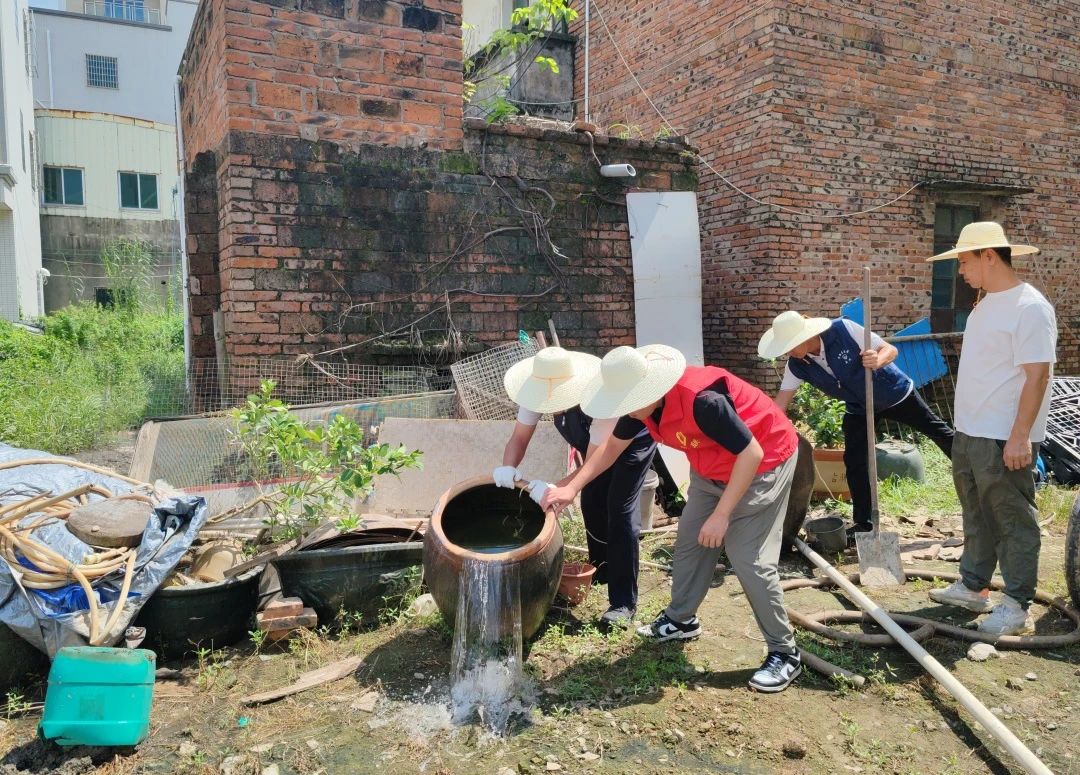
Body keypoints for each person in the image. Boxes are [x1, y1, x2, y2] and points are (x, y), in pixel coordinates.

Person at [541, 345, 803, 693]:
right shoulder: (638, 410)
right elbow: (609, 451)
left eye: (627, 403)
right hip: (711, 468)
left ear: (649, 391)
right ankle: (681, 619)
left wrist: (723, 515)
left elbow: (751, 452)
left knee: (747, 557)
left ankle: (785, 652)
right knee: (690, 543)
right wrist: (572, 486)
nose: (623, 411)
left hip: (763, 462)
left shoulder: (702, 402)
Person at [923, 222, 1056, 636]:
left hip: (1003, 433)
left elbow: (1038, 376)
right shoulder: (986, 303)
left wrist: (1020, 436)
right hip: (970, 430)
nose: (961, 271)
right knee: (976, 512)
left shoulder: (1029, 307)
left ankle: (1016, 604)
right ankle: (973, 586)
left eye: (964, 261)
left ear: (989, 256)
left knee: (1012, 518)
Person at [494, 346, 658, 627]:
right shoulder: (535, 392)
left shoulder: (599, 399)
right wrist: (508, 468)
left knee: (619, 509)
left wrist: (561, 488)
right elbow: (519, 438)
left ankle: (622, 602)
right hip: (595, 448)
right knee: (592, 502)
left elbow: (597, 460)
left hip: (629, 442)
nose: (552, 405)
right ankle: (601, 571)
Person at [757, 311, 954, 541]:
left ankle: (974, 472)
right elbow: (781, 403)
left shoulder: (843, 330)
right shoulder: (796, 365)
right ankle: (864, 523)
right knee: (855, 460)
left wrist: (877, 360)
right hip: (858, 406)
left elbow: (890, 349)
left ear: (804, 337)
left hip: (894, 394)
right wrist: (761, 430)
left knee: (939, 432)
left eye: (789, 346)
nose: (788, 352)